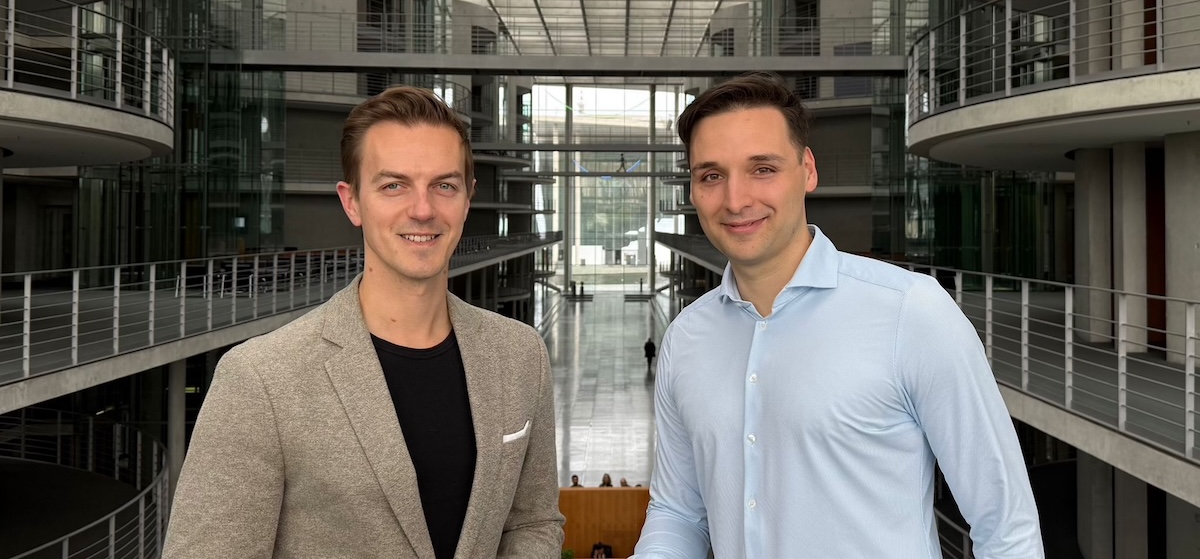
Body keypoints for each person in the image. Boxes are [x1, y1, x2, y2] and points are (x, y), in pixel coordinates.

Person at [632, 73, 1043, 558]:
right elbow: (679, 513)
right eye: (712, 176)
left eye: (762, 168)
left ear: (807, 170)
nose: (736, 200)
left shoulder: (911, 313)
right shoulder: (686, 338)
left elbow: (1005, 525)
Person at [163, 87, 564, 559]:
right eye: (394, 185)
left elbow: (533, 522)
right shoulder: (259, 379)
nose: (423, 209)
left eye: (444, 185)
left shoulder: (519, 354)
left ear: (467, 199)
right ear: (352, 201)